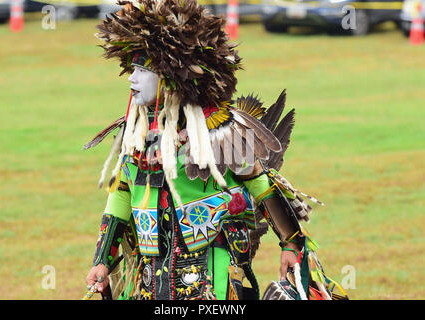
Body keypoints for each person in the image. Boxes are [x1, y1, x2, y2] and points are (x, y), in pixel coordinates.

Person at [84, 0, 348, 300]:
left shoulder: (217, 128)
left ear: (171, 75)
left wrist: (291, 243)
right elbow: (121, 193)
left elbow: (260, 184)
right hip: (151, 276)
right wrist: (102, 260)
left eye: (143, 69)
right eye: (132, 68)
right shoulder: (134, 132)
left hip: (211, 274)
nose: (132, 78)